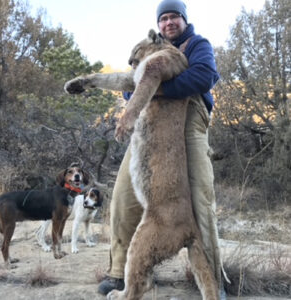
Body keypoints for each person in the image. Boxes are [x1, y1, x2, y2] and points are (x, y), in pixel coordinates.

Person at [98, 0, 227, 298]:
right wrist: (143, 86)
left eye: (174, 17)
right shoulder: (150, 49)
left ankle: (213, 282)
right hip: (152, 126)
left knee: (201, 199)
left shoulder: (197, 44)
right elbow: (131, 88)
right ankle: (123, 274)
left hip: (190, 122)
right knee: (123, 197)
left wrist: (156, 86)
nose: (169, 23)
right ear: (158, 26)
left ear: (184, 20)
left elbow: (202, 77)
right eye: (164, 19)